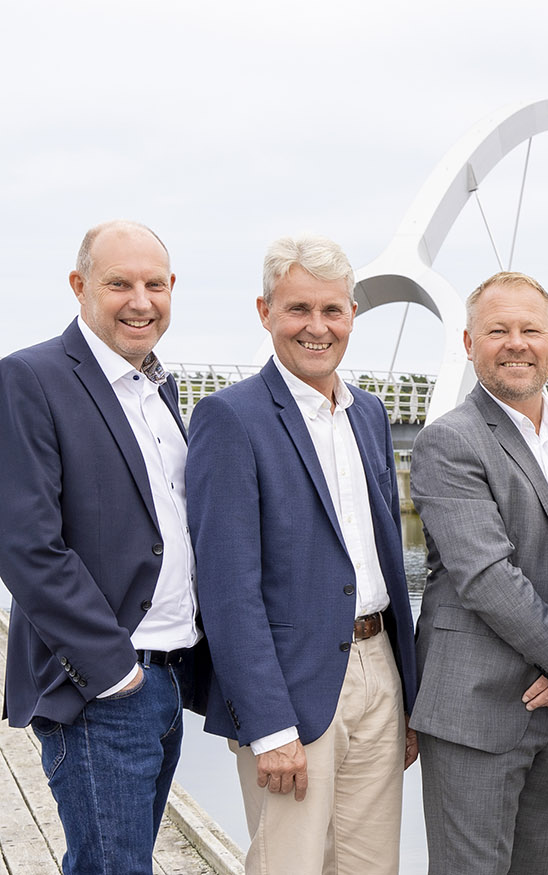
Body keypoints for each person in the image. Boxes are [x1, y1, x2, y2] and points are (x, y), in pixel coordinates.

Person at [186, 235, 419, 875]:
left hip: (380, 673)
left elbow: (386, 564)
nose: (317, 328)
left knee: (374, 866)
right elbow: (228, 589)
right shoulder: (229, 419)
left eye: (332, 310)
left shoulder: (368, 413)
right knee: (289, 863)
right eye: (297, 310)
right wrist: (268, 726)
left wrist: (408, 695)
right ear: (265, 312)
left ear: (351, 316)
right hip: (291, 688)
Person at [0, 221, 209, 875]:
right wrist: (114, 672)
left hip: (170, 676)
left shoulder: (159, 390)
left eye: (154, 283)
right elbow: (26, 543)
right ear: (79, 286)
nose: (140, 300)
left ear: (172, 289)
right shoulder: (29, 378)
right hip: (103, 688)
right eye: (119, 283)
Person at [408, 271, 548, 874]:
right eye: (497, 330)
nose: (516, 343)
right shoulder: (450, 441)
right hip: (475, 707)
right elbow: (487, 577)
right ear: (469, 344)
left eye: (530, 329)